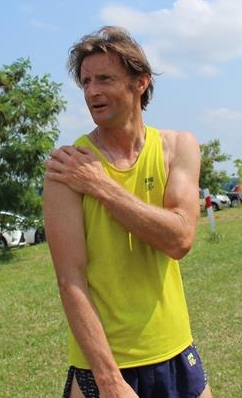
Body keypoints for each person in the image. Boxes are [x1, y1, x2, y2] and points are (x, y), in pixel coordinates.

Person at [43, 26, 212, 398]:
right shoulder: (66, 169)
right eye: (86, 81)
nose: (92, 91)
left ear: (141, 82)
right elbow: (70, 280)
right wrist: (109, 380)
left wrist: (100, 185)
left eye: (104, 79)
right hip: (104, 366)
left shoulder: (178, 148)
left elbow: (180, 239)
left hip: (174, 349)